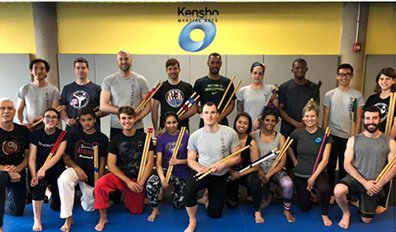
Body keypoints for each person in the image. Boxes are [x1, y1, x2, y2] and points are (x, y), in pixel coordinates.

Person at [334, 106, 396, 229]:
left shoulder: (390, 142)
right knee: (338, 191)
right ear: (363, 120)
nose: (371, 121)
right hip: (355, 179)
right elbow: (347, 164)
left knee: (366, 220)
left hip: (374, 182)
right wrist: (364, 182)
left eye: (374, 118)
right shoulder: (353, 139)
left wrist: (378, 185)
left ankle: (357, 201)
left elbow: (393, 168)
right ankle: (346, 213)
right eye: (367, 118)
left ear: (379, 119)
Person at [94, 106, 154, 231]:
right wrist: (127, 182)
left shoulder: (145, 137)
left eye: (130, 118)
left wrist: (141, 182)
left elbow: (149, 163)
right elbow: (111, 165)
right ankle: (103, 218)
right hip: (121, 177)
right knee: (100, 184)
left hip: (138, 178)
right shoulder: (115, 139)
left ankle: (128, 196)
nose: (127, 121)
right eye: (124, 118)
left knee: (136, 211)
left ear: (135, 119)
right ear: (119, 120)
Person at [183, 102, 241, 232]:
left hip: (220, 175)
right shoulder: (195, 136)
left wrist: (224, 164)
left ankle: (206, 199)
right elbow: (190, 160)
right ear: (201, 115)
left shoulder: (230, 133)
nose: (210, 115)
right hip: (202, 171)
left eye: (213, 112)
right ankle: (192, 221)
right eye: (206, 113)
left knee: (215, 214)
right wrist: (199, 168)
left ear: (218, 114)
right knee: (188, 190)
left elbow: (237, 156)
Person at [57, 108, 108, 232]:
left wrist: (99, 182)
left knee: (89, 207)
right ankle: (68, 218)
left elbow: (102, 162)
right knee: (63, 180)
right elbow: (67, 158)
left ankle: (82, 194)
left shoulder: (102, 138)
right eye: (83, 120)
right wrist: (77, 168)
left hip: (93, 174)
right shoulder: (74, 136)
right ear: (79, 121)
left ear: (95, 120)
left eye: (89, 120)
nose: (87, 123)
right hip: (76, 170)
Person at [322, 63, 365, 204]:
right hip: (332, 135)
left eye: (347, 74)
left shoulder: (357, 95)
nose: (344, 77)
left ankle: (343, 193)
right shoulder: (330, 94)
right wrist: (324, 135)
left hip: (349, 137)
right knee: (330, 166)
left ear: (351, 76)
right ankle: (331, 194)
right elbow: (326, 117)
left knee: (345, 167)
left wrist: (356, 136)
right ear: (337, 76)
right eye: (341, 74)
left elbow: (359, 118)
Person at [289, 101, 333, 226]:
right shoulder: (298, 133)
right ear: (303, 118)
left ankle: (324, 214)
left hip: (318, 173)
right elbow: (287, 146)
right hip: (301, 173)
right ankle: (311, 194)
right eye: (307, 116)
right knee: (304, 207)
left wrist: (313, 178)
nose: (310, 119)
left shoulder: (325, 134)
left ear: (317, 117)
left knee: (325, 189)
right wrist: (293, 159)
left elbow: (325, 160)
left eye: (313, 116)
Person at [252, 108, 295, 223]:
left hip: (275, 171)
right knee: (264, 205)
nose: (270, 123)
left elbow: (282, 162)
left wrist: (269, 175)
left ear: (276, 122)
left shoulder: (280, 137)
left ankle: (286, 210)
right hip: (259, 172)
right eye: (267, 120)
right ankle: (271, 190)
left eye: (273, 121)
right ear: (262, 121)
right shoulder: (254, 135)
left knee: (288, 184)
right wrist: (260, 172)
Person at [278, 58, 320, 176]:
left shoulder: (314, 87)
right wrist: (295, 123)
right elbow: (280, 109)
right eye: (297, 67)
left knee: (305, 156)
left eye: (302, 67)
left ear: (307, 69)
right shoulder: (284, 87)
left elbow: (315, 109)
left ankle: (306, 185)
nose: (300, 70)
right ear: (292, 70)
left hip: (307, 129)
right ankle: (291, 186)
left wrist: (306, 123)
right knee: (288, 160)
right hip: (288, 128)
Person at [146, 112, 190, 222]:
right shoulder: (161, 138)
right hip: (166, 171)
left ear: (178, 123)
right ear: (164, 124)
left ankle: (173, 191)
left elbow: (191, 160)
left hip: (182, 172)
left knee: (179, 204)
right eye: (168, 123)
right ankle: (155, 209)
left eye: (174, 122)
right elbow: (159, 162)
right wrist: (162, 179)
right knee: (151, 184)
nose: (171, 125)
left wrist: (179, 161)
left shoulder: (186, 136)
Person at [28, 108, 66, 231]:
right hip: (38, 169)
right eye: (48, 116)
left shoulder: (62, 135)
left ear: (58, 120)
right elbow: (32, 158)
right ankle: (37, 219)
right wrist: (34, 174)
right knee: (38, 186)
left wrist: (43, 169)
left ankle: (49, 193)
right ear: (43, 119)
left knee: (56, 207)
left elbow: (58, 155)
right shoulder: (35, 135)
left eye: (54, 117)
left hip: (56, 170)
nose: (50, 119)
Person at [364, 67, 396, 213]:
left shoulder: (395, 99)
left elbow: (395, 122)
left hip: (388, 139)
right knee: (373, 168)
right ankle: (369, 196)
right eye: (382, 78)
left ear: (394, 81)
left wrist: (387, 140)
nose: (384, 81)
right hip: (372, 138)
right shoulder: (372, 98)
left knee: (386, 170)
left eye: (388, 79)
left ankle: (383, 202)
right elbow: (366, 119)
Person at [100, 50, 151, 138]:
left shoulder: (141, 80)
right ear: (117, 62)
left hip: (136, 126)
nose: (123, 62)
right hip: (116, 126)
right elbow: (103, 106)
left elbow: (148, 106)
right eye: (121, 59)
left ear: (131, 60)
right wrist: (125, 113)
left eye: (126, 59)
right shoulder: (108, 80)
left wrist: (135, 119)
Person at [226, 112, 263, 223]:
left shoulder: (251, 142)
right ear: (235, 123)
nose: (242, 125)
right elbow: (222, 159)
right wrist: (231, 171)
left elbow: (255, 166)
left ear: (249, 126)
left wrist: (239, 174)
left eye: (245, 123)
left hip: (246, 173)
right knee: (231, 204)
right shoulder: (229, 138)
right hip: (230, 172)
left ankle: (257, 211)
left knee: (255, 182)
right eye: (240, 122)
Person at [0, 99, 29, 232]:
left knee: (17, 211)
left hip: (18, 170)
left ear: (14, 111)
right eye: (2, 108)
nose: (6, 111)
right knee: (2, 178)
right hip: (1, 171)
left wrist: (19, 168)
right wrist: (5, 169)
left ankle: (5, 202)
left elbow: (28, 155)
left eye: (9, 108)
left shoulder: (23, 131)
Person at [152, 58, 196, 136]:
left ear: (179, 69)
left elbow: (194, 109)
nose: (173, 71)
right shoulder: (160, 87)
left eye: (175, 68)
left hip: (183, 127)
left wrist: (176, 119)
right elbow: (154, 109)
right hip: (165, 128)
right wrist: (156, 129)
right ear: (166, 70)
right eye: (170, 69)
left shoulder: (187, 87)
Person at [60, 57, 104, 134]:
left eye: (83, 68)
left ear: (88, 69)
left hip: (92, 131)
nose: (80, 70)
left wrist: (90, 116)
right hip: (72, 130)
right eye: (78, 68)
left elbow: (104, 110)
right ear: (74, 70)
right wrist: (67, 120)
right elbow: (63, 109)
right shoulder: (67, 88)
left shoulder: (97, 89)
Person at [193, 53, 236, 128]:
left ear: (221, 64)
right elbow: (194, 104)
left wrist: (220, 117)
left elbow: (232, 104)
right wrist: (207, 114)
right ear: (208, 63)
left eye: (218, 62)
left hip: (222, 122)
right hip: (205, 123)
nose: (215, 65)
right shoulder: (199, 82)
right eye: (212, 62)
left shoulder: (227, 82)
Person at [16, 59, 61, 130]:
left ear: (46, 71)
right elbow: (19, 111)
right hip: (29, 128)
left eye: (42, 68)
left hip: (47, 128)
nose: (39, 71)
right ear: (31, 71)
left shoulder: (54, 90)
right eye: (35, 68)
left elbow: (54, 112)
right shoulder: (24, 89)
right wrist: (21, 125)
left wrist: (39, 118)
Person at [237, 62, 278, 130]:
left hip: (265, 130)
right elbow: (239, 114)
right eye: (255, 73)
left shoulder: (271, 89)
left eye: (260, 73)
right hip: (247, 129)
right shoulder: (243, 91)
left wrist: (259, 120)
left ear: (263, 75)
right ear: (251, 74)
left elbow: (274, 111)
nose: (257, 76)